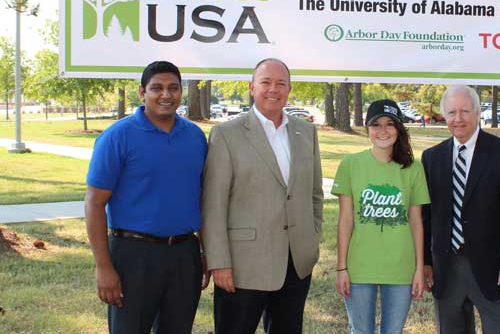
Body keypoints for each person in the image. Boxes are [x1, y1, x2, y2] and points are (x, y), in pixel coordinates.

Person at [84, 61, 209, 333]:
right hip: (133, 255)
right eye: (157, 88)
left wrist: (206, 250)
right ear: (142, 92)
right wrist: (103, 267)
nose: (166, 94)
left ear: (181, 92)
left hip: (184, 254)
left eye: (173, 88)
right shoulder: (118, 136)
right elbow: (94, 203)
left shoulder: (195, 137)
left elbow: (201, 198)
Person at [201, 58, 324, 334]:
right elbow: (213, 205)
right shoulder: (226, 134)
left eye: (281, 83)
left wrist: (311, 239)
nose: (273, 89)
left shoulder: (306, 132)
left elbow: (314, 194)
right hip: (243, 266)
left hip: (296, 264)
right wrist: (219, 261)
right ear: (251, 87)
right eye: (266, 82)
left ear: (289, 89)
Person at [422, 86, 500, 334]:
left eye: (464, 111)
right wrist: (426, 262)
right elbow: (427, 216)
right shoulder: (431, 157)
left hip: (494, 271)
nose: (458, 118)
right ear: (443, 115)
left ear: (478, 112)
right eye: (451, 112)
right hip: (446, 270)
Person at [332, 99, 430, 334]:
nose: (383, 131)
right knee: (361, 331)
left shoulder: (413, 168)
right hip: (359, 266)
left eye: (390, 124)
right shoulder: (350, 164)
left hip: (400, 266)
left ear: (399, 129)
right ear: (367, 128)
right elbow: (345, 221)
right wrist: (341, 268)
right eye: (376, 124)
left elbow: (417, 223)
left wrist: (418, 269)